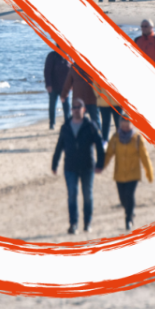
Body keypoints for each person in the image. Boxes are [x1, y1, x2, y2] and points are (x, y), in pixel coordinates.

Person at [50, 100, 105, 235]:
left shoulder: (90, 126)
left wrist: (100, 164)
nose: (75, 110)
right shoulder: (66, 127)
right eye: (73, 107)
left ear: (84, 109)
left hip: (87, 166)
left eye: (78, 107)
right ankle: (73, 224)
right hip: (70, 166)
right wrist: (54, 163)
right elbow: (59, 146)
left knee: (87, 195)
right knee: (72, 195)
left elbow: (99, 145)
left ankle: (87, 223)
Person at [106, 116, 153, 230]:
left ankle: (129, 219)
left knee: (129, 195)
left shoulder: (137, 138)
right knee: (122, 198)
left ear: (131, 125)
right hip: (119, 174)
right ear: (120, 125)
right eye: (123, 126)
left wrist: (149, 173)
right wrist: (101, 166)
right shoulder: (115, 138)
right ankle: (130, 211)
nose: (125, 128)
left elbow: (144, 157)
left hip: (133, 174)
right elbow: (108, 154)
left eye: (127, 126)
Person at [44, 49, 72, 129]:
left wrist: (71, 84)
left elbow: (72, 72)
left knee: (66, 106)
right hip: (53, 87)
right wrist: (48, 85)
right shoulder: (52, 56)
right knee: (52, 105)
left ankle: (68, 123)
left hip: (65, 87)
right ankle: (52, 123)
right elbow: (47, 71)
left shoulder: (69, 57)